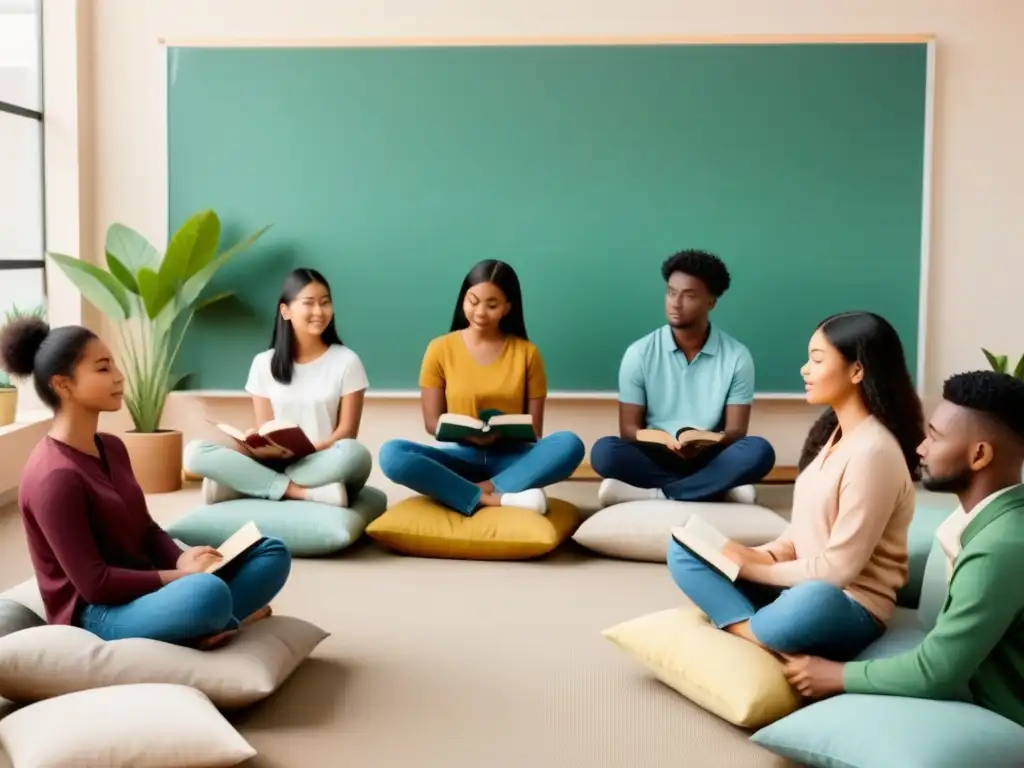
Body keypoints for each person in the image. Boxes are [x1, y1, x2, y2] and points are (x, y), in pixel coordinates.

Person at [0, 316, 291, 650]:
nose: (119, 377)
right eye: (103, 368)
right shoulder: (54, 478)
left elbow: (146, 529)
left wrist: (180, 559)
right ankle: (212, 621)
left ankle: (209, 624)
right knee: (207, 593)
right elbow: (96, 585)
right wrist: (183, 578)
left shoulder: (112, 446)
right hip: (97, 615)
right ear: (63, 385)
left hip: (147, 588)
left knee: (272, 551)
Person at [666, 311, 925, 661]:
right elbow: (802, 532)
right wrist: (761, 554)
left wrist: (754, 569)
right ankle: (759, 633)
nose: (804, 369)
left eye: (817, 360)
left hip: (847, 604)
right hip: (795, 582)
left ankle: (747, 628)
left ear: (857, 371)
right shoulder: (835, 434)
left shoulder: (874, 453)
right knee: (683, 552)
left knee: (813, 600)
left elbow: (838, 570)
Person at [782, 370, 1024, 727]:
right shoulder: (989, 520)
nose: (920, 448)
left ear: (979, 455)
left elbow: (936, 672)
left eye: (934, 438)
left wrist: (833, 675)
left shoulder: (999, 548)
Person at [378, 259, 585, 515]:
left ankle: (476, 490)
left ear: (508, 307)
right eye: (472, 301)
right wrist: (470, 434)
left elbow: (534, 429)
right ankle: (494, 499)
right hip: (459, 456)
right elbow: (433, 423)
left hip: (512, 459)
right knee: (392, 453)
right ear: (463, 300)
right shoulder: (439, 349)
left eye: (492, 305)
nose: (479, 312)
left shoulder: (527, 353)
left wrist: (503, 432)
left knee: (569, 444)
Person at [590, 249, 776, 507]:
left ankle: (664, 491)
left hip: (709, 453)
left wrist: (704, 442)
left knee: (759, 451)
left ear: (711, 302)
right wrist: (663, 442)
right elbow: (629, 431)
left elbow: (736, 431)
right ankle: (714, 487)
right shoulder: (639, 353)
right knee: (605, 452)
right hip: (656, 454)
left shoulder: (737, 356)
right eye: (670, 292)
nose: (675, 303)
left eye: (689, 296)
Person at [184, 268, 373, 508]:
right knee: (195, 452)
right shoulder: (263, 364)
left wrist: (310, 450)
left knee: (354, 454)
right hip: (277, 462)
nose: (319, 311)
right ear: (285, 311)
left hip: (324, 462)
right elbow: (268, 429)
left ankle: (250, 485)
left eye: (325, 303)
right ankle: (299, 492)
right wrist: (258, 447)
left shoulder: (347, 361)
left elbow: (346, 433)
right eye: (309, 303)